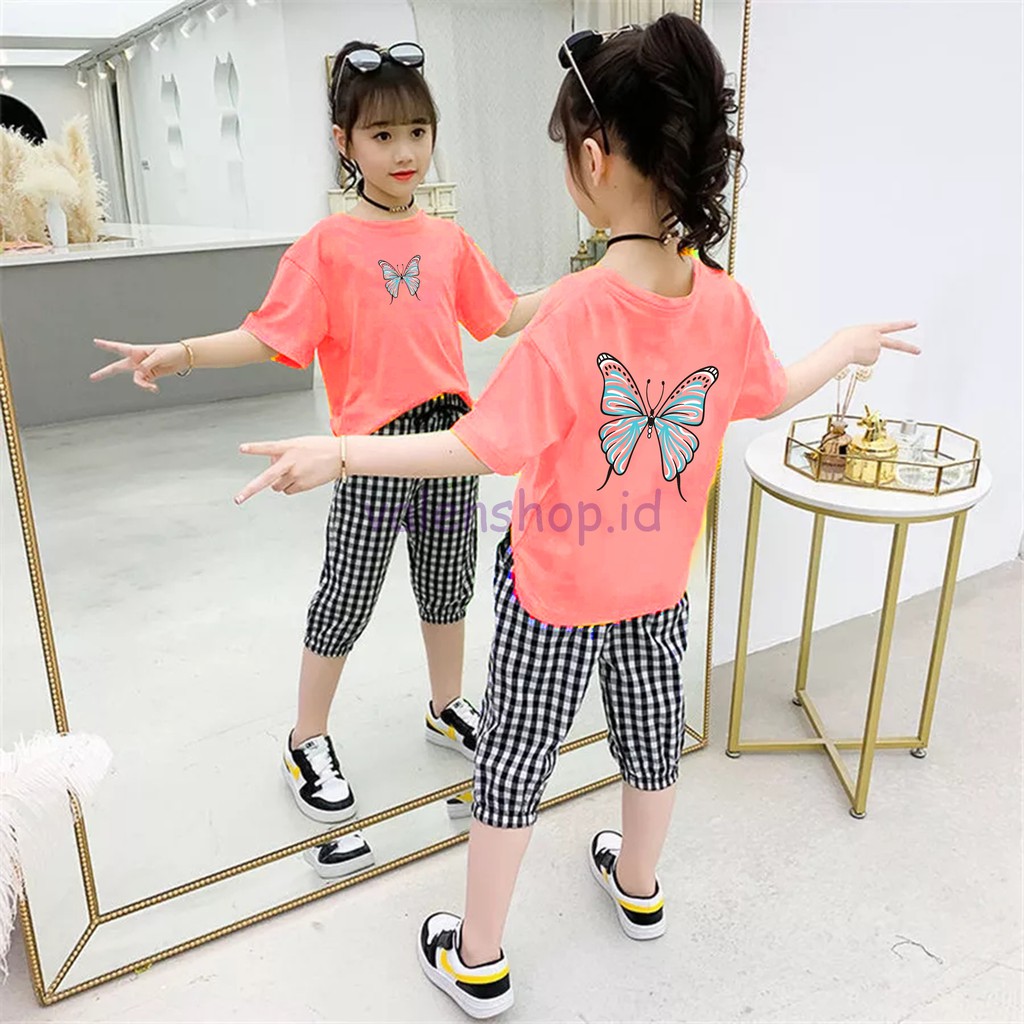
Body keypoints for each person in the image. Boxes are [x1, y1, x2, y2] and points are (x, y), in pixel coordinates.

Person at [234, 15, 920, 1018]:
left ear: (594, 159)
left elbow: (480, 447)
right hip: (657, 586)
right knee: (651, 734)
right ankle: (638, 886)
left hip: (554, 589)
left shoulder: (576, 312)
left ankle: (477, 955)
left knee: (515, 757)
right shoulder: (722, 300)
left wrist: (341, 451)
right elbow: (770, 394)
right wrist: (844, 345)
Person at [90, 40, 546, 843]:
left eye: (417, 131)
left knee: (449, 585)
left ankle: (446, 707)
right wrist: (182, 353)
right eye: (382, 135)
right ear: (345, 141)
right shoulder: (327, 247)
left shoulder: (447, 241)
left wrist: (592, 286)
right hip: (366, 452)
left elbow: (503, 316)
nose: (404, 152)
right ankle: (306, 740)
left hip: (451, 443)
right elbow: (269, 336)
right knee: (348, 594)